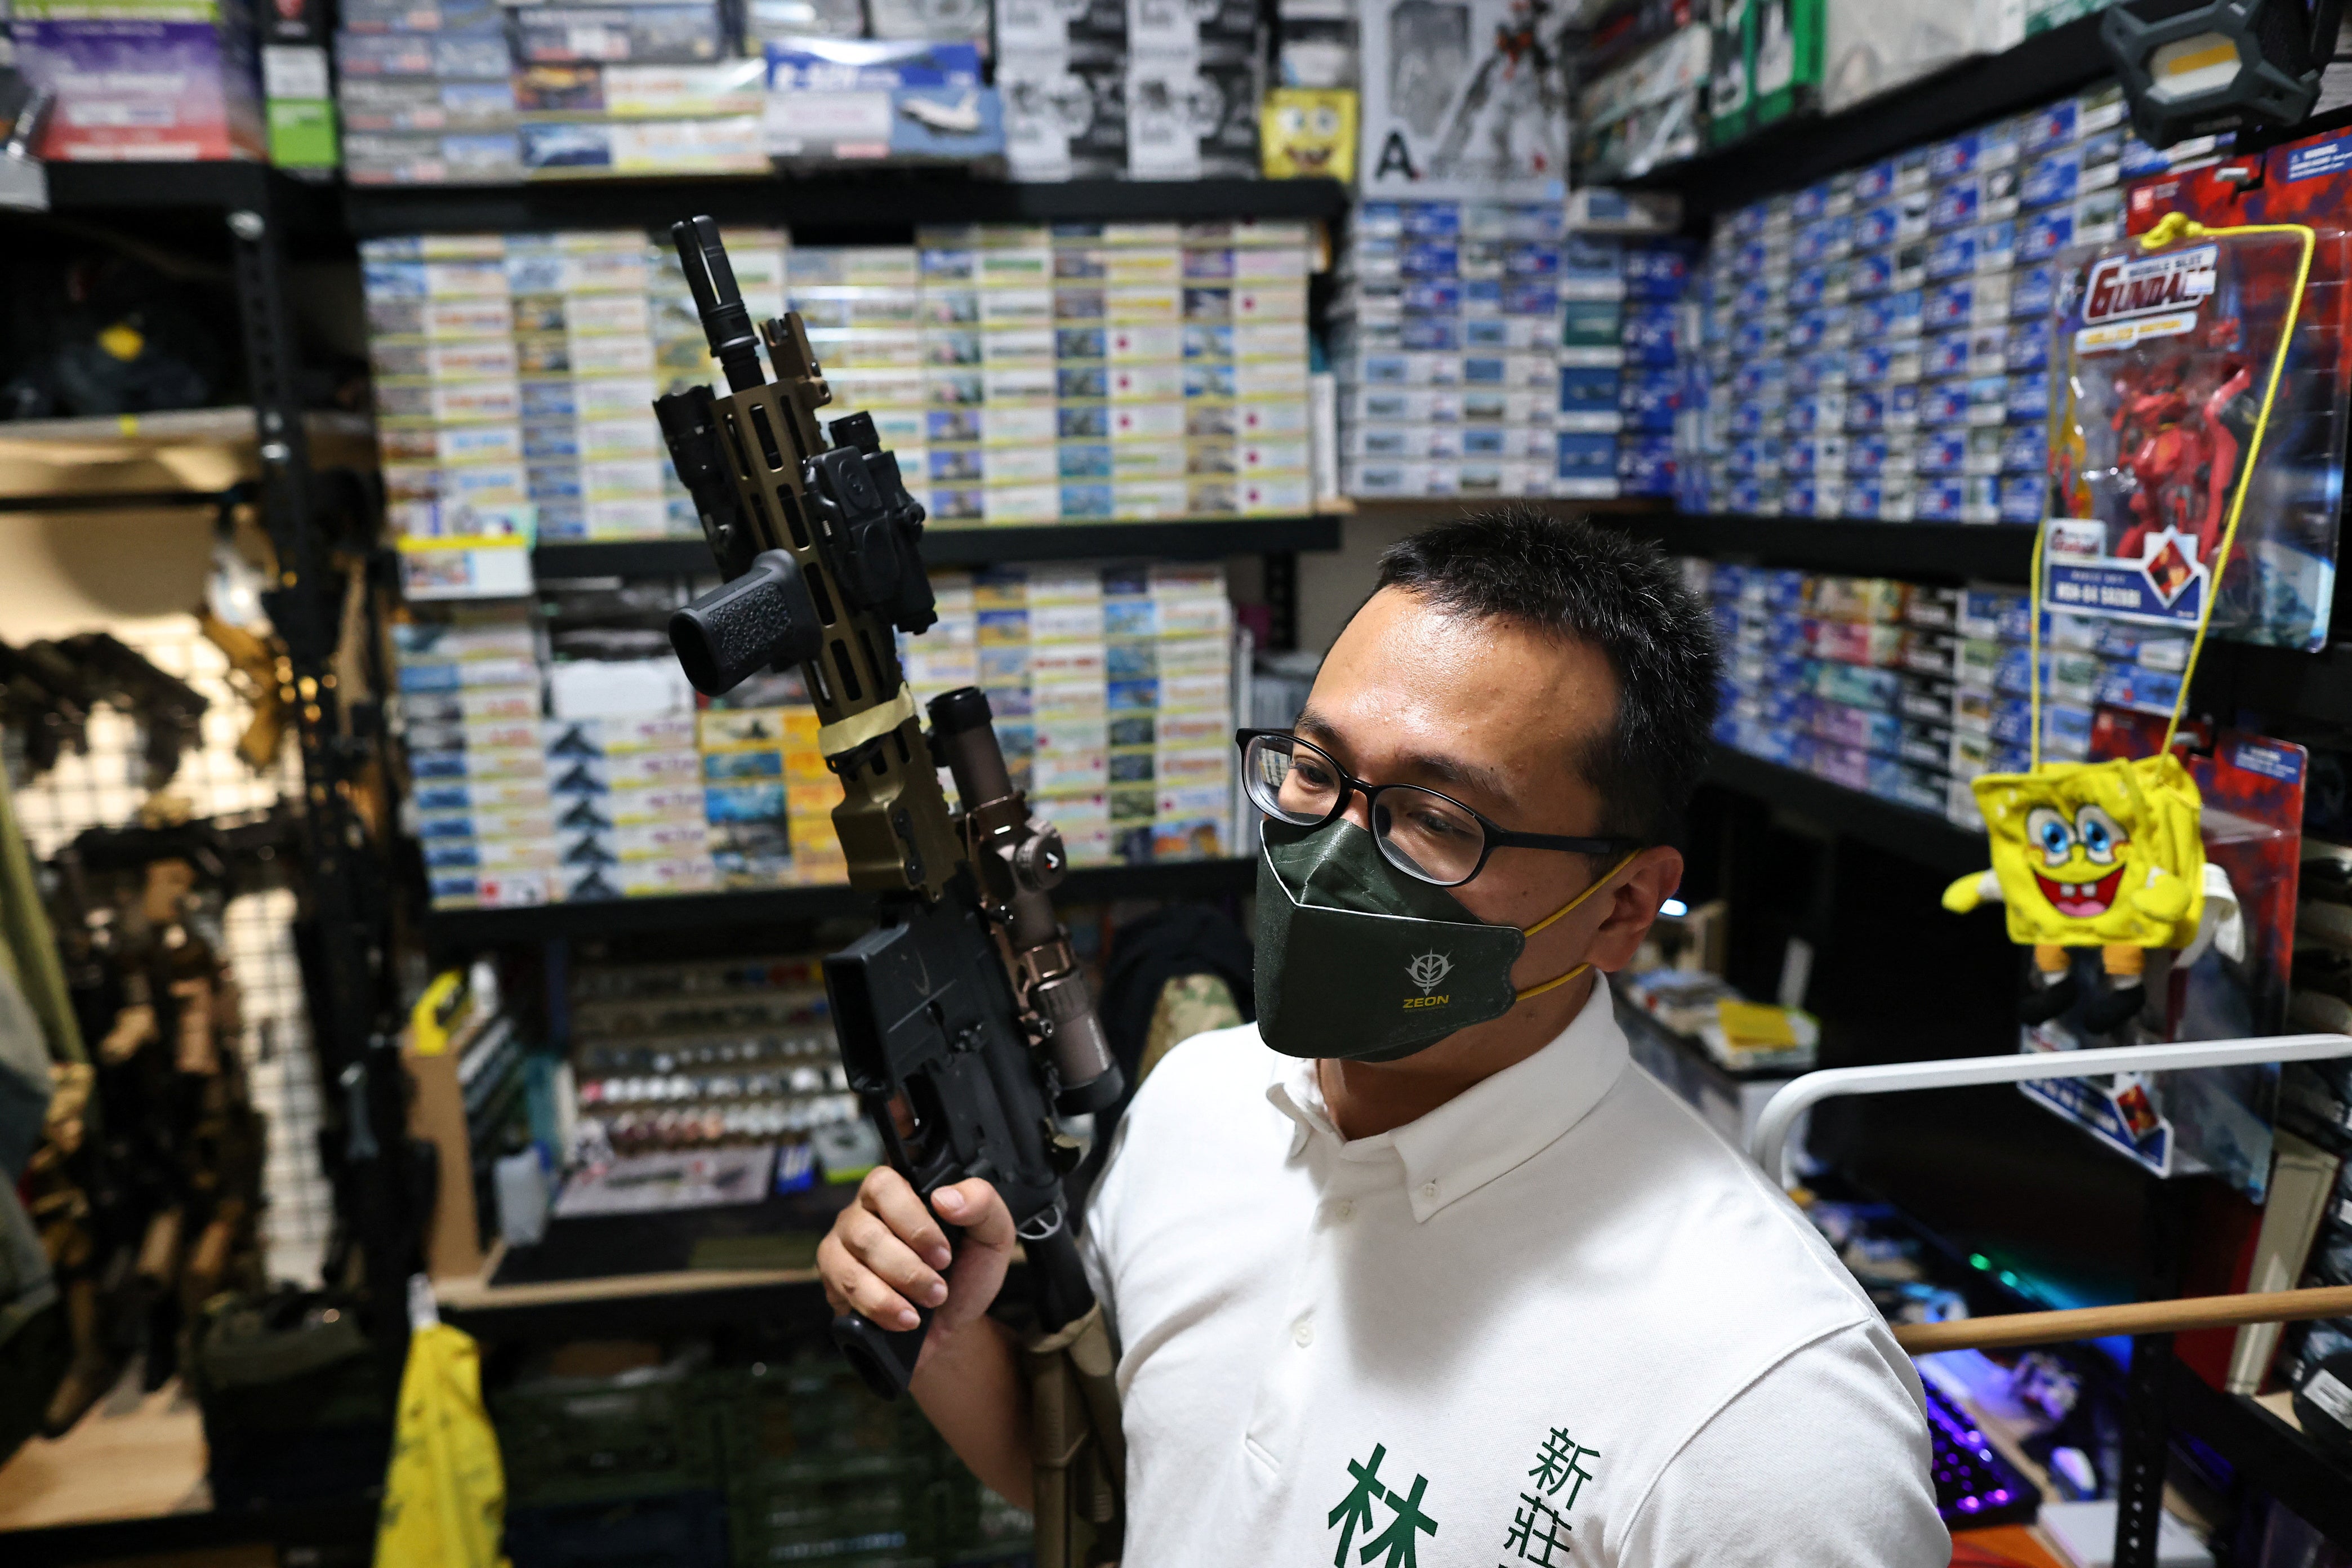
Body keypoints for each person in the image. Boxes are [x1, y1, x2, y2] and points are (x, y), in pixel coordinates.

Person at [817, 508, 1948, 1566]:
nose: (1330, 857)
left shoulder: (1765, 1409)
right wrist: (949, 1329)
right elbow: (1129, 1483)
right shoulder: (1199, 1100)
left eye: (1436, 818)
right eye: (1315, 772)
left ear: (1620, 906)